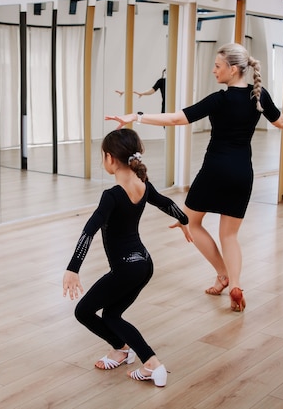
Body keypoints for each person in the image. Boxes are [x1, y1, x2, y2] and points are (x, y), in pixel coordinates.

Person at [105, 43, 283, 312]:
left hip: (214, 169)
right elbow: (281, 121)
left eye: (217, 65)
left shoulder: (220, 99)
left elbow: (177, 119)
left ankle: (222, 274)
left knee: (189, 222)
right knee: (230, 236)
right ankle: (235, 284)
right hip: (242, 173)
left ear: (233, 68)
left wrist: (137, 116)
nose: (213, 70)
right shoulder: (258, 96)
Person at [62, 128, 192, 387]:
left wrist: (72, 269)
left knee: (84, 311)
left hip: (125, 270)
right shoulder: (143, 185)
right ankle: (122, 350)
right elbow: (166, 202)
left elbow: (89, 229)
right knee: (112, 315)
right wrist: (184, 220)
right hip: (144, 264)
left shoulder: (112, 196)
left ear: (110, 158)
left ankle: (152, 364)